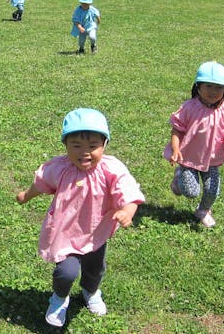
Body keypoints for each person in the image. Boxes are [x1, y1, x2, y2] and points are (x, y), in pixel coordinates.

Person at [16, 108, 145, 327]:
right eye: (76, 146)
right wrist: (25, 196)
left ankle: (91, 291)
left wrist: (127, 211)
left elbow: (128, 190)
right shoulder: (59, 168)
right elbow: (41, 183)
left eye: (93, 146)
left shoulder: (110, 169)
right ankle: (59, 297)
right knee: (66, 272)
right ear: (65, 145)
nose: (84, 152)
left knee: (95, 269)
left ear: (104, 145)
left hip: (95, 232)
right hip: (65, 233)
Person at [164, 61, 224, 228]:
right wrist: (175, 149)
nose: (213, 92)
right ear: (198, 86)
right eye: (209, 86)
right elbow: (177, 130)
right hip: (188, 158)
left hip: (212, 161)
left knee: (212, 189)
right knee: (191, 192)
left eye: (219, 88)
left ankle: (203, 211)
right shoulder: (189, 107)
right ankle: (179, 178)